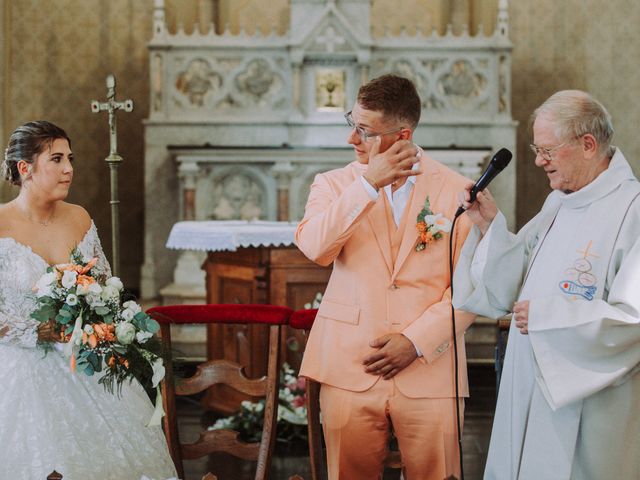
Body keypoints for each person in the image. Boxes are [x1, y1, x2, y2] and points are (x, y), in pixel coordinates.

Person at [453, 90, 640, 479]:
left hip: (588, 402)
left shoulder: (632, 210)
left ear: (588, 144)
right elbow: (518, 276)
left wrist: (547, 316)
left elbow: (632, 322)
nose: (539, 161)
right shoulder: (560, 202)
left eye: (547, 150)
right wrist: (490, 224)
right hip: (529, 384)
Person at [296, 74, 475, 480]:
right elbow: (315, 248)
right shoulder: (333, 184)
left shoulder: (457, 190)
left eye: (365, 130)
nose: (352, 139)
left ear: (402, 134)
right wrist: (367, 185)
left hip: (432, 366)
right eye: (352, 123)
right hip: (349, 365)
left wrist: (415, 342)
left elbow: (471, 286)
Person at [0, 121, 177, 479]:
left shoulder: (79, 217)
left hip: (84, 358)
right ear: (25, 168)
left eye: (70, 158)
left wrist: (102, 319)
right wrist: (36, 331)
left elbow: (105, 286)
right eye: (57, 159)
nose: (69, 168)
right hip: (20, 365)